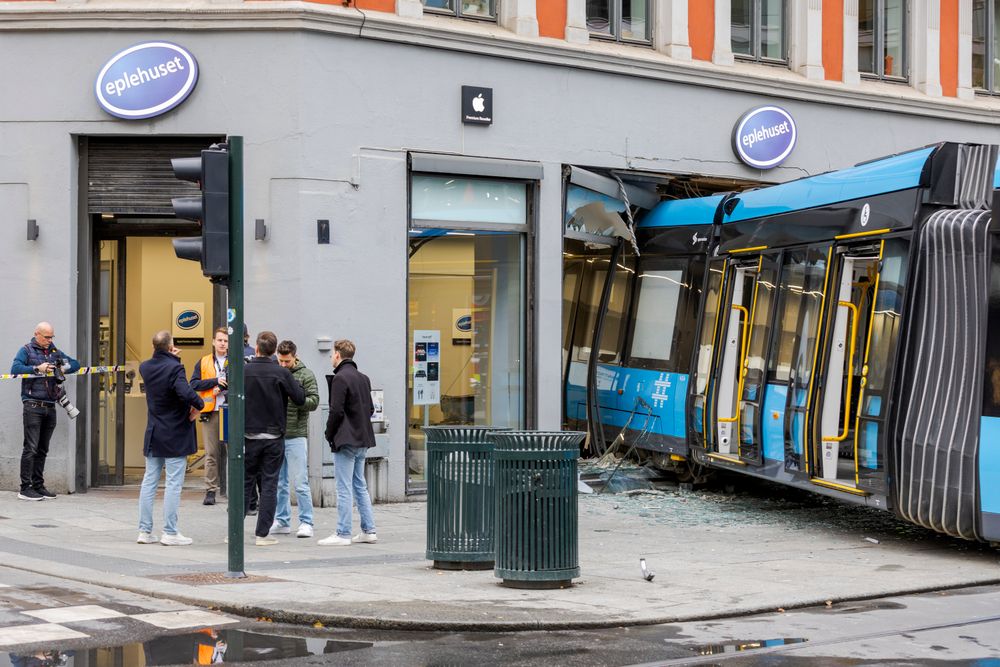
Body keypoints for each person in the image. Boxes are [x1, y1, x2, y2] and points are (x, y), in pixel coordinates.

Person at [137, 331, 203, 546]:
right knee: (173, 483)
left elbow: (164, 376)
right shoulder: (175, 367)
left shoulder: (145, 367)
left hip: (154, 431)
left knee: (149, 482)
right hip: (175, 432)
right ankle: (170, 532)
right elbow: (184, 391)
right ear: (170, 346)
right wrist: (200, 404)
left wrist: (171, 357)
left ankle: (144, 532)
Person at [244, 331, 305, 546]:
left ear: (257, 349)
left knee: (245, 482)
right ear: (274, 350)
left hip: (249, 434)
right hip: (273, 435)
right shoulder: (281, 372)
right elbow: (299, 398)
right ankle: (262, 534)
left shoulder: (244, 370)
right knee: (269, 483)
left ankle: (234, 530)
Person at [9, 322, 80, 501]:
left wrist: (62, 368)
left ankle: (38, 486)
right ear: (37, 334)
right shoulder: (26, 350)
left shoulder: (55, 351)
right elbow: (15, 369)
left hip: (50, 406)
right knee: (31, 448)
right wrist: (36, 368)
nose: (49, 340)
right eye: (46, 337)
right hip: (33, 405)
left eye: (51, 337)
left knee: (42, 449)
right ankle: (25, 488)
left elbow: (76, 364)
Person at [318, 339, 377, 546]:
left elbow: (336, 411)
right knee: (359, 484)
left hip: (346, 439)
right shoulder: (363, 378)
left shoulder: (340, 379)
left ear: (337, 354)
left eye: (332, 353)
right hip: (363, 438)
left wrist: (329, 433)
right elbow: (370, 409)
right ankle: (369, 530)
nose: (331, 357)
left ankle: (343, 532)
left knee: (343, 487)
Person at [270, 340, 320, 538]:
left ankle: (306, 521)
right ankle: (282, 520)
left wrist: (296, 398)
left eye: (287, 361)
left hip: (296, 434)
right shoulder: (274, 371)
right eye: (280, 361)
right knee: (279, 482)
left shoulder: (305, 374)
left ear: (295, 356)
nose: (283, 365)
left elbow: (314, 402)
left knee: (300, 481)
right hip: (277, 433)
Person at [189, 327, 229, 506]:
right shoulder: (204, 361)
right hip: (210, 411)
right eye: (220, 340)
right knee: (211, 453)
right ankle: (210, 490)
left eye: (226, 341)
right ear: (213, 341)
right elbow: (194, 384)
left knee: (233, 453)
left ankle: (233, 488)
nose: (222, 343)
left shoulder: (235, 361)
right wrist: (215, 381)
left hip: (229, 411)